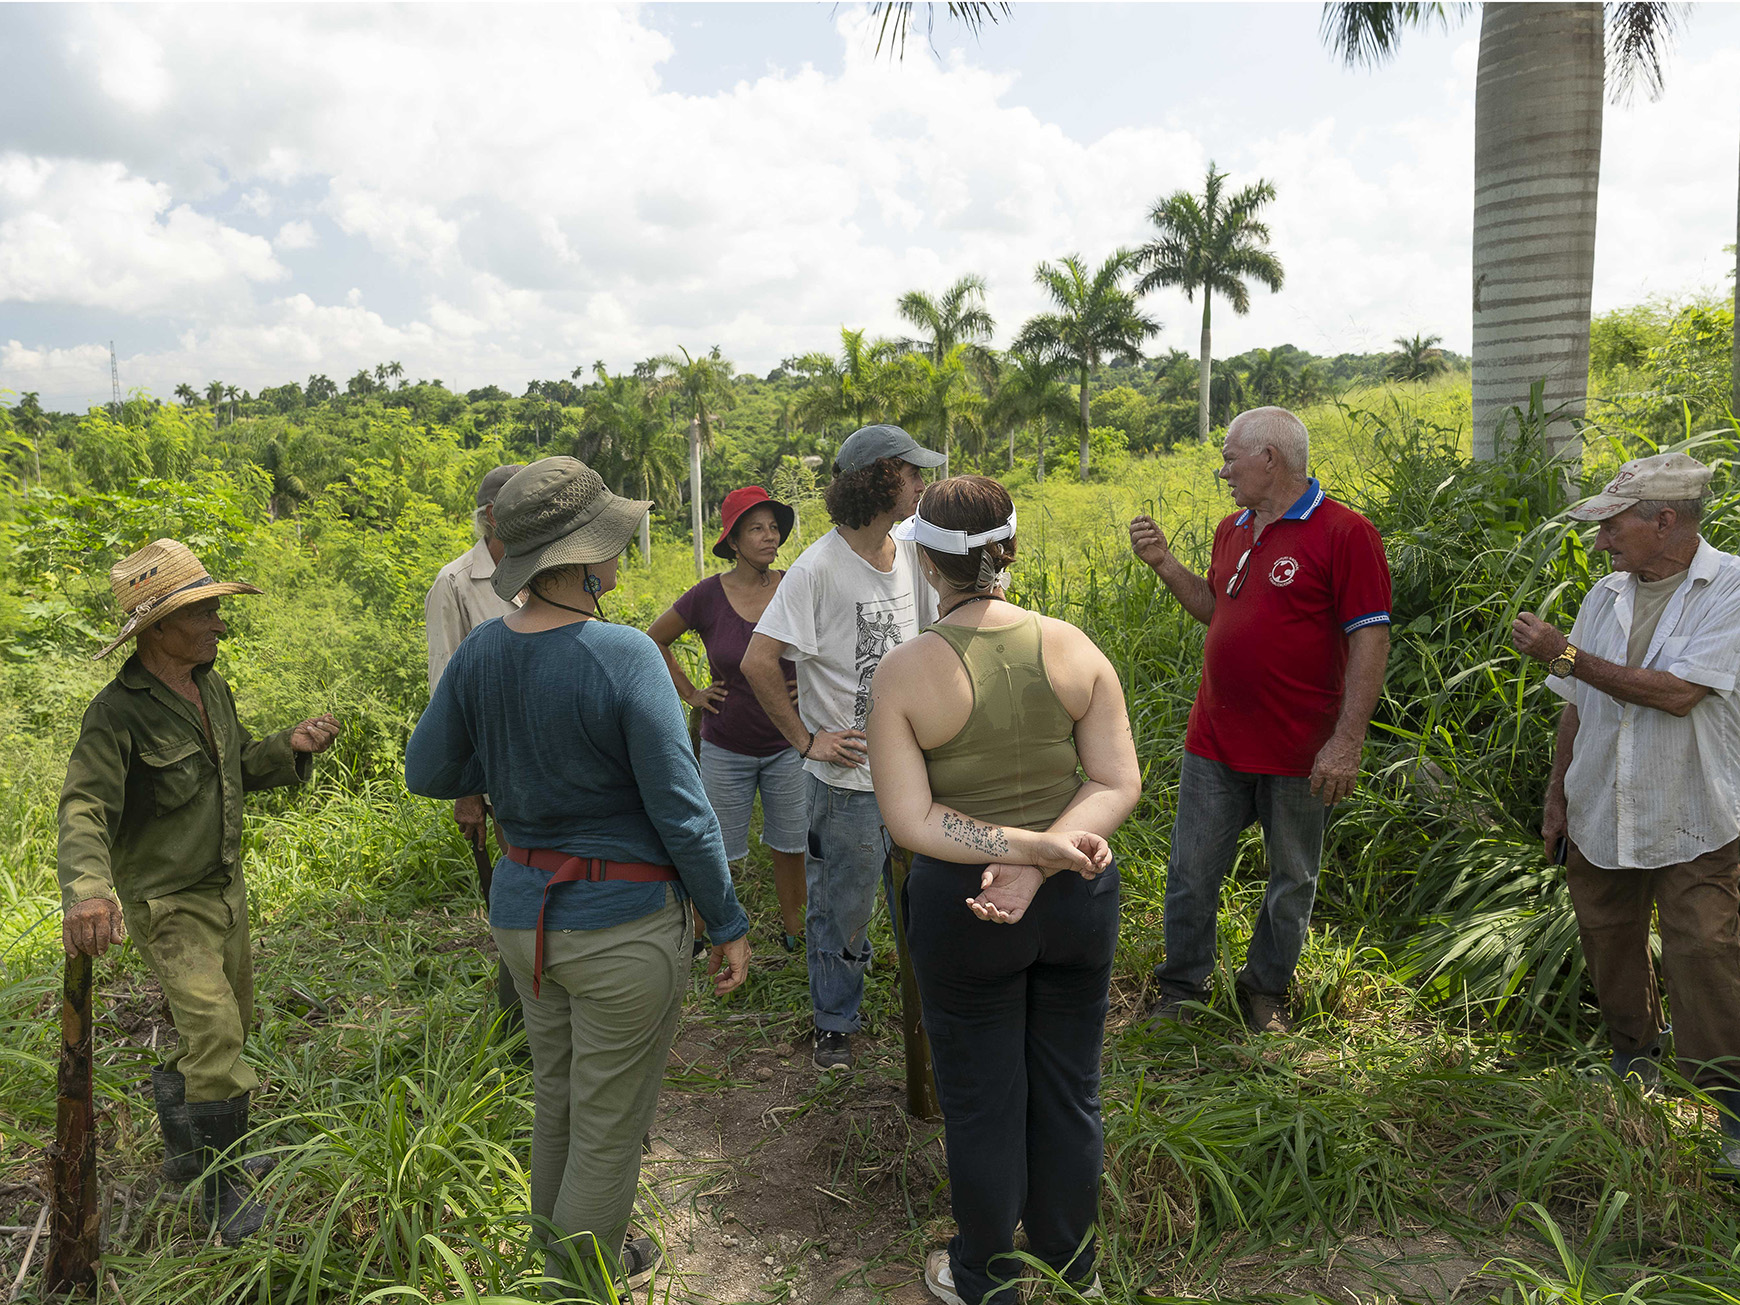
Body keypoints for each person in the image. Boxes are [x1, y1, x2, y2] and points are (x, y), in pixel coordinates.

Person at [404, 456, 751, 1297]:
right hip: (621, 924)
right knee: (607, 1123)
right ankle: (575, 1283)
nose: (619, 558)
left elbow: (428, 768)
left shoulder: (485, 651)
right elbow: (683, 809)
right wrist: (729, 922)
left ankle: (551, 1261)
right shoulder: (621, 653)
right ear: (583, 560)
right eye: (610, 545)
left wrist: (518, 755)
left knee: (558, 1096)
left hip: (526, 917)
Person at [868, 475, 1141, 1305]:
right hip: (1078, 895)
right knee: (1069, 1085)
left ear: (923, 561)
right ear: (1008, 550)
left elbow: (912, 820)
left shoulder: (906, 673)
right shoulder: (1073, 646)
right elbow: (1116, 780)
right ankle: (1075, 1265)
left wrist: (1020, 855)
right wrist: (1044, 855)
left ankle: (986, 1277)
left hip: (964, 905)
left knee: (983, 1098)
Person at [59, 539, 340, 1242]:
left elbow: (237, 763)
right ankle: (222, 1182)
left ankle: (192, 1149)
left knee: (229, 1025)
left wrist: (290, 745)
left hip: (226, 891)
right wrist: (89, 890)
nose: (220, 622)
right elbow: (84, 806)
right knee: (214, 1033)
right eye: (205, 610)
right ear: (159, 628)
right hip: (169, 904)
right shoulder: (116, 713)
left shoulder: (211, 685)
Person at [1509, 451, 1740, 1166]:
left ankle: (1728, 1102)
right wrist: (1558, 794)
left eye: (1614, 525)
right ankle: (1634, 1058)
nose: (1602, 541)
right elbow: (1577, 708)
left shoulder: (1729, 588)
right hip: (1602, 798)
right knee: (1607, 931)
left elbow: (1678, 694)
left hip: (1695, 805)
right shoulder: (1604, 595)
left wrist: (1565, 654)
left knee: (1703, 943)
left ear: (1665, 521)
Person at [1129, 406, 1391, 1034]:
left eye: (1230, 458)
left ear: (1270, 458)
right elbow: (1217, 609)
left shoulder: (1344, 532)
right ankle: (1181, 989)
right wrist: (1166, 564)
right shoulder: (1233, 529)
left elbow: (1370, 639)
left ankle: (1265, 992)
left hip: (1301, 750)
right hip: (1215, 739)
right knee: (1192, 872)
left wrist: (1347, 740)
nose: (1223, 471)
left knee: (1292, 877)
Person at [743, 424, 943, 1072]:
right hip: (847, 785)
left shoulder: (913, 555)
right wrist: (806, 739)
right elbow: (759, 660)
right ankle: (835, 1021)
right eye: (913, 472)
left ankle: (928, 1010)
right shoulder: (817, 569)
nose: (922, 483)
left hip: (914, 773)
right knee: (843, 909)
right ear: (882, 477)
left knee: (924, 902)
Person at [649, 485, 807, 950]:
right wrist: (692, 694)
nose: (769, 536)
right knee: (714, 848)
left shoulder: (795, 585)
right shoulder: (707, 597)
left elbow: (829, 639)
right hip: (726, 744)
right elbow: (654, 640)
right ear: (732, 542)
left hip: (789, 743)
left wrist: (811, 685)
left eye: (773, 527)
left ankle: (795, 931)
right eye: (755, 528)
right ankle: (706, 933)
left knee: (791, 844)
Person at [425, 462, 525, 1023]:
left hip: (551, 759)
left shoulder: (542, 568)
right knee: (514, 885)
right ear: (490, 517)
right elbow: (447, 694)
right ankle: (518, 1013)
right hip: (496, 769)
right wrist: (468, 789)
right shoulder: (457, 584)